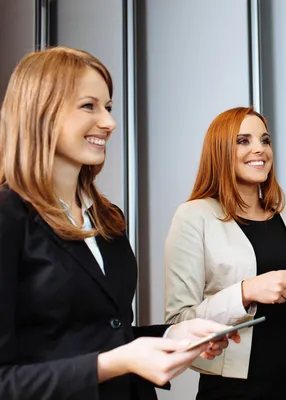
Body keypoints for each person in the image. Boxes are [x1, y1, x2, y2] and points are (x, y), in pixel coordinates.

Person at [0, 47, 240, 400]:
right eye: (89, 106)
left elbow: (109, 332)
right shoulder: (8, 217)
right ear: (42, 112)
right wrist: (114, 362)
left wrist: (172, 336)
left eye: (108, 108)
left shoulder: (108, 218)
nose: (109, 122)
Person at [164, 106, 286, 400]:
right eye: (243, 141)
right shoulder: (194, 216)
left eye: (265, 140)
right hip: (232, 389)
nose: (259, 149)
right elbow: (179, 322)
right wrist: (245, 292)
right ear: (219, 151)